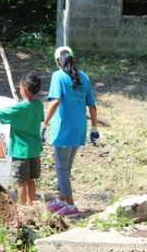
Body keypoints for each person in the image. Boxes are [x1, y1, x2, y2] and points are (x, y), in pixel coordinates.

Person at [42, 46, 99, 216]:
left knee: (61, 168)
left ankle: (71, 206)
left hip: (64, 129)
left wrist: (44, 124)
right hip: (79, 128)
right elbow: (93, 106)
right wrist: (94, 128)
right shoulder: (84, 77)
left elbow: (55, 102)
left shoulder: (58, 76)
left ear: (57, 61)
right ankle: (60, 200)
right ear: (73, 59)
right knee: (67, 167)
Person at [0, 70, 43, 205]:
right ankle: (31, 204)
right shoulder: (39, 104)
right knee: (31, 179)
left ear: (24, 89)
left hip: (20, 151)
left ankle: (22, 206)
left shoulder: (19, 108)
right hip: (34, 149)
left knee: (21, 182)